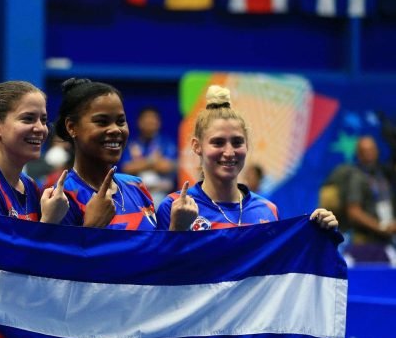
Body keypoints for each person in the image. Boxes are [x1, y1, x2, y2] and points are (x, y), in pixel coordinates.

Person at [157, 85, 337, 232]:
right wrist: (178, 228)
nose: (229, 152)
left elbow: (280, 271)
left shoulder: (268, 211)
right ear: (197, 146)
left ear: (247, 146)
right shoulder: (174, 207)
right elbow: (162, 272)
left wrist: (318, 233)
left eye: (237, 142)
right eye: (218, 143)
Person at [0, 81, 69, 223]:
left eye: (43, 120)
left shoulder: (29, 185)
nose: (41, 128)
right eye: (28, 119)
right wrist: (49, 222)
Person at [53, 78, 158, 230]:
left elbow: (155, 250)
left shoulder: (136, 187)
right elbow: (62, 254)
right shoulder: (63, 197)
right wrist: (92, 227)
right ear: (71, 127)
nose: (116, 129)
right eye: (102, 122)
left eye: (121, 121)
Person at [343, 135, 396, 263]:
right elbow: (353, 212)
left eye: (372, 150)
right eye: (365, 151)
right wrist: (380, 227)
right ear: (359, 155)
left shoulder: (382, 174)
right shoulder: (356, 177)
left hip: (386, 242)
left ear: (377, 151)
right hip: (364, 244)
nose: (370, 154)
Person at [119, 106, 177, 205]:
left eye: (153, 120)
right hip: (136, 194)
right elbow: (127, 168)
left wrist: (140, 164)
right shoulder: (131, 144)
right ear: (139, 122)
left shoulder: (167, 143)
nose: (149, 123)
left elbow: (166, 167)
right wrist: (152, 161)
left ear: (158, 122)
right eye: (146, 120)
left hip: (162, 193)